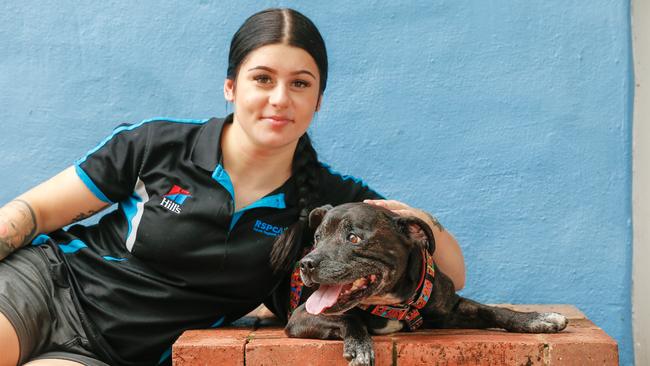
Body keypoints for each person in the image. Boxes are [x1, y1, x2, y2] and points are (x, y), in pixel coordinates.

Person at [0, 8, 465, 366]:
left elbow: (453, 276)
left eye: (300, 84)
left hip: (117, 353)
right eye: (262, 79)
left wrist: (420, 221)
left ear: (318, 100)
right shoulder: (157, 145)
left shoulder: (331, 202)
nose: (279, 98)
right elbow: (35, 213)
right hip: (44, 286)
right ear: (230, 86)